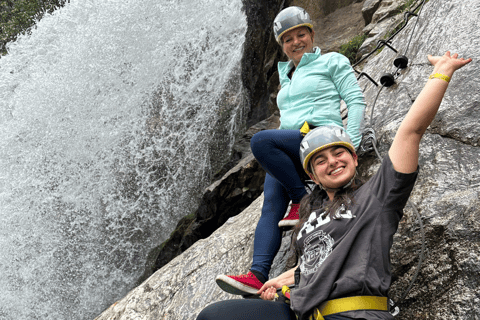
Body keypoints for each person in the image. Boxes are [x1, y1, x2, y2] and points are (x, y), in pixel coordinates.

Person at [197, 51, 472, 320]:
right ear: (313, 177)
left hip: (354, 312)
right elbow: (318, 262)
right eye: (320, 160)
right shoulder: (311, 217)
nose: (332, 162)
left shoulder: (378, 195)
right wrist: (280, 282)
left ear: (354, 158)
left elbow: (411, 130)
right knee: (213, 315)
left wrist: (442, 72)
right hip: (303, 311)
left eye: (339, 153)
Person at [215, 6, 366, 296]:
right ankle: (257, 274)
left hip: (321, 139)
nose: (296, 42)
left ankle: (303, 199)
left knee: (260, 142)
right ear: (281, 45)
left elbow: (355, 101)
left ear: (311, 34)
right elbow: (288, 120)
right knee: (270, 204)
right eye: (288, 39)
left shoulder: (331, 60)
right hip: (294, 147)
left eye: (301, 34)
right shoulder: (287, 76)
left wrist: (352, 144)